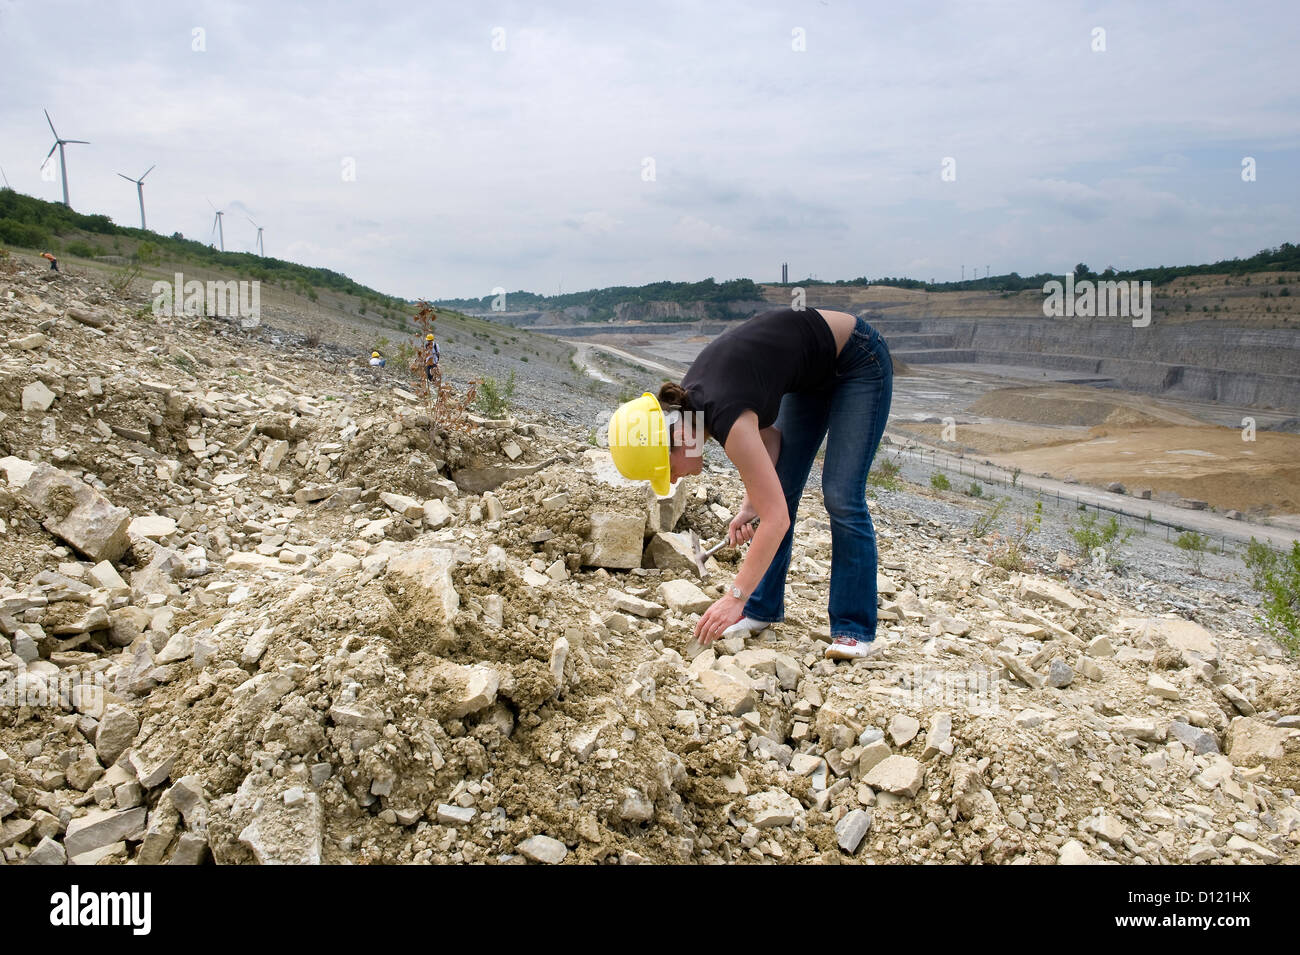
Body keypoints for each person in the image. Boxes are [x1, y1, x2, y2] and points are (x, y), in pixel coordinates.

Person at [607, 306, 893, 660]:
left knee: (841, 495)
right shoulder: (694, 407)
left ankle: (853, 629)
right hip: (811, 377)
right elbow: (771, 441)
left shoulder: (725, 416)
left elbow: (777, 519)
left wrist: (733, 596)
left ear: (677, 437)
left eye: (669, 470)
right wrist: (751, 504)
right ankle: (761, 609)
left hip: (856, 358)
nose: (676, 478)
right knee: (778, 492)